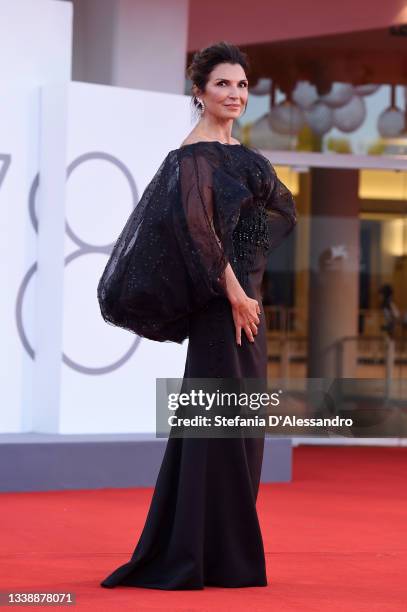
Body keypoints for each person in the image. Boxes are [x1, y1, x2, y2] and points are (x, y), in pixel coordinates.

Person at [97, 41, 297, 590]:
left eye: (241, 85)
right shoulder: (192, 156)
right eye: (222, 85)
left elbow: (274, 214)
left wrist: (248, 277)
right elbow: (199, 236)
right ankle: (200, 556)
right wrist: (233, 289)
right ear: (199, 93)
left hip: (246, 303)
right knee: (218, 433)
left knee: (242, 433)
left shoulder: (247, 157)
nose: (234, 94)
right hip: (221, 313)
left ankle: (216, 551)